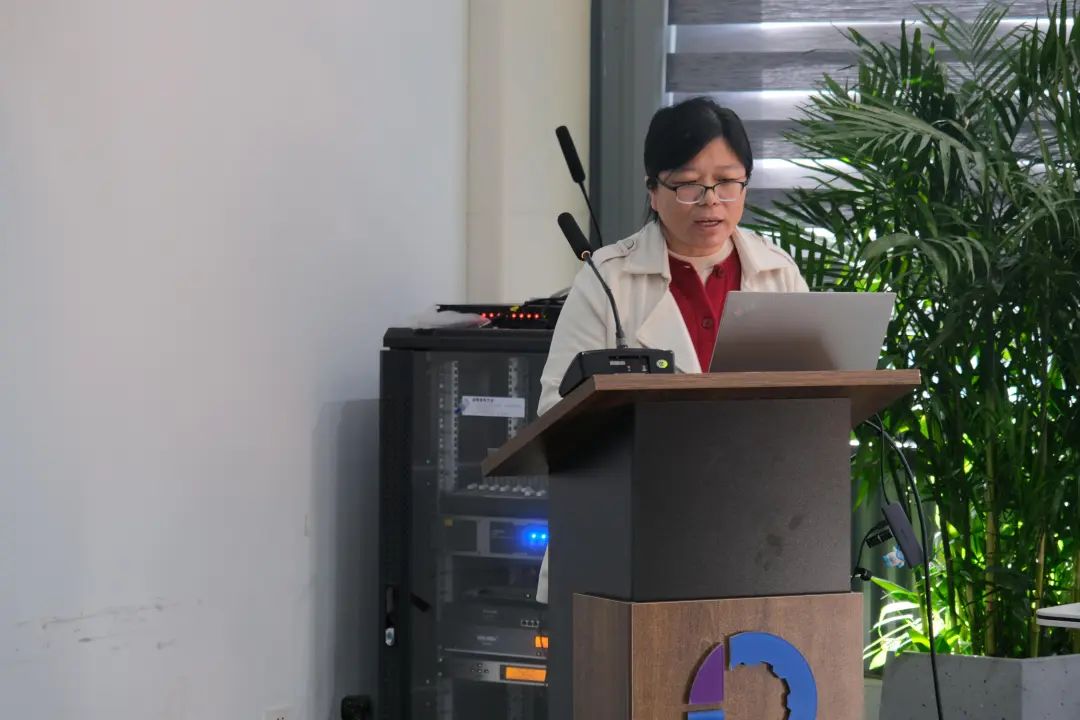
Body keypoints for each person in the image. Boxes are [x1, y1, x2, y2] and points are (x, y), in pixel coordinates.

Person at [534, 97, 809, 603]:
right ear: (654, 192)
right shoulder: (607, 279)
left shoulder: (778, 273)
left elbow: (811, 401)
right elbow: (556, 413)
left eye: (727, 182)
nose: (711, 201)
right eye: (688, 184)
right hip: (633, 530)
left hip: (753, 530)